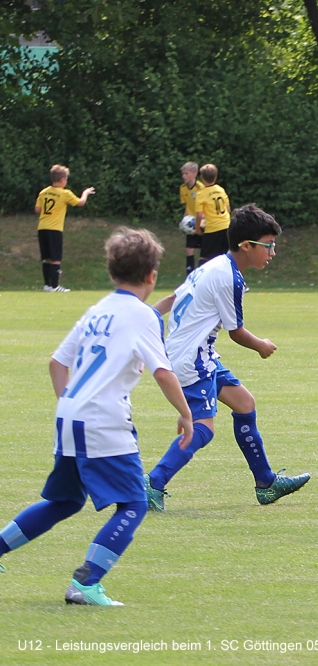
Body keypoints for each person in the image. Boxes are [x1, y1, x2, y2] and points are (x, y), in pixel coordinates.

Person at [0, 228, 193, 606]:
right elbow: (164, 371)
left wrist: (72, 402)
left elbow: (57, 362)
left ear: (111, 273)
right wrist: (186, 414)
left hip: (69, 414)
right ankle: (87, 583)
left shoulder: (96, 310)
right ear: (152, 275)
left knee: (66, 501)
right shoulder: (143, 316)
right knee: (135, 502)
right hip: (102, 418)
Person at [145, 204, 310, 510]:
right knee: (203, 428)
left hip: (196, 354)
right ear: (246, 246)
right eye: (268, 246)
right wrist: (261, 345)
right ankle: (153, 483)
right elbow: (237, 332)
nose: (272, 252)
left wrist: (145, 317)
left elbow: (173, 298)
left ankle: (266, 483)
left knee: (244, 404)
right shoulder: (228, 278)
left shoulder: (214, 264)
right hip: (192, 360)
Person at [34, 164, 95, 293]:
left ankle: (47, 285)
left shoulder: (44, 192)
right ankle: (55, 286)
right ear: (62, 180)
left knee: (47, 258)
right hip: (55, 228)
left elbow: (37, 209)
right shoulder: (64, 193)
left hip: (42, 227)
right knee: (56, 258)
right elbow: (80, 203)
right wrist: (86, 193)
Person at [194, 163, 231, 265]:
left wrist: (197, 229)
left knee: (204, 259)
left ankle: (201, 280)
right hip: (227, 227)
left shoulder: (201, 194)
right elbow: (228, 209)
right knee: (226, 259)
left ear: (202, 178)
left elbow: (199, 215)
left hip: (213, 229)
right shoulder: (220, 189)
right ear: (215, 177)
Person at [179, 161, 204, 275]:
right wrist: (183, 221)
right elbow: (188, 206)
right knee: (189, 249)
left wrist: (200, 225)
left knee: (205, 251)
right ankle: (189, 275)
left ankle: (202, 274)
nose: (184, 176)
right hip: (191, 222)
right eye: (183, 174)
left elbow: (207, 207)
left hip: (203, 221)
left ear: (194, 174)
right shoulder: (183, 188)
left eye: (187, 173)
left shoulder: (201, 188)